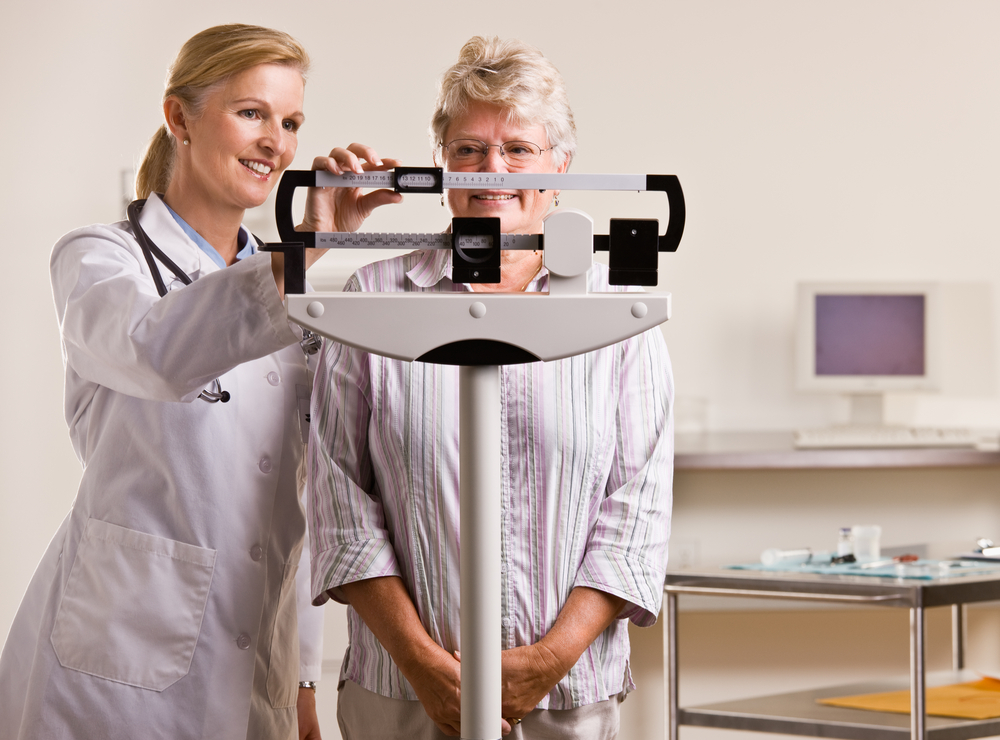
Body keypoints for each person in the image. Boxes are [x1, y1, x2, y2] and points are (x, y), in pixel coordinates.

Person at [0, 24, 400, 740]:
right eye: (252, 112)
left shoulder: (291, 296)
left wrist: (303, 678)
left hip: (257, 668)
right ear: (179, 117)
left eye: (291, 122)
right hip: (108, 677)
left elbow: (300, 505)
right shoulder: (101, 260)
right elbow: (153, 350)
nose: (275, 141)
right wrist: (304, 258)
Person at [308, 36, 674, 739]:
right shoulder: (374, 296)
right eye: (469, 149)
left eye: (518, 149)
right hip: (402, 695)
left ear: (560, 168)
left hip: (568, 697)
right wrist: (424, 667)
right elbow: (338, 501)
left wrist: (546, 662)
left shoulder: (617, 311)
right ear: (442, 163)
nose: (491, 169)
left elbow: (637, 510)